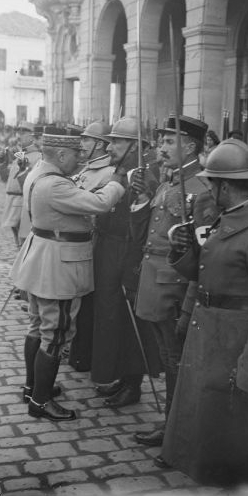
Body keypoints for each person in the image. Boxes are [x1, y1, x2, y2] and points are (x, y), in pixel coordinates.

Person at [159, 139, 248, 495]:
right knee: (209, 424)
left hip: (235, 342)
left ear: (225, 187)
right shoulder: (229, 221)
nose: (209, 190)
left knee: (234, 434)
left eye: (212, 184)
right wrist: (183, 250)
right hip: (211, 334)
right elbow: (209, 274)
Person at [10, 132, 127, 422]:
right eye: (76, 155)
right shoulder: (55, 184)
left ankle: (32, 388)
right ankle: (40, 401)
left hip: (41, 260)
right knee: (56, 333)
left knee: (38, 327)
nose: (80, 160)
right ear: (61, 155)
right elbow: (100, 203)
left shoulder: (39, 172)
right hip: (57, 267)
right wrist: (116, 182)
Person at [128, 114, 220, 447]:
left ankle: (175, 431)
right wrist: (143, 197)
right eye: (161, 141)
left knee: (175, 361)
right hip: (155, 280)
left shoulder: (201, 189)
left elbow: (204, 252)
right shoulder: (168, 182)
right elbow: (149, 233)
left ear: (191, 147)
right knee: (168, 358)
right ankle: (173, 426)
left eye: (169, 141)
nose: (161, 147)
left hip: (175, 287)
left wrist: (189, 299)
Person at [90, 117, 162, 408]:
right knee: (110, 316)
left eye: (118, 141)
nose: (111, 147)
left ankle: (133, 383)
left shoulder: (147, 174)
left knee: (131, 321)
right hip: (108, 248)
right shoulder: (119, 170)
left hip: (128, 251)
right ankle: (119, 374)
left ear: (136, 146)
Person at [68, 121, 114, 372]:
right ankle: (75, 349)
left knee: (88, 303)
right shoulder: (86, 169)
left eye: (86, 139)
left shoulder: (108, 173)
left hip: (95, 241)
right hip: (82, 243)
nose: (81, 143)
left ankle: (83, 354)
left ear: (100, 144)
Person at [0, 133, 41, 249]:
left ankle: (22, 250)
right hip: (12, 197)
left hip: (22, 197)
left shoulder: (38, 157)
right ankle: (20, 248)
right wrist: (2, 163)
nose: (18, 138)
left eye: (23, 134)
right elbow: (5, 178)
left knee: (20, 228)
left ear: (31, 139)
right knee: (13, 226)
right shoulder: (19, 155)